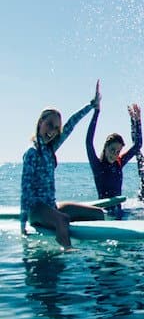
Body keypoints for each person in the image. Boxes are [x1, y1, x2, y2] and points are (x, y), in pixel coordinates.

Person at [20, 82, 105, 248]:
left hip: (52, 205)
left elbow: (71, 124)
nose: (52, 130)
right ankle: (67, 251)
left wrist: (91, 106)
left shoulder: (50, 149)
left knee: (98, 214)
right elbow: (25, 191)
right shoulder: (32, 152)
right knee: (62, 219)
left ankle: (99, 253)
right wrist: (22, 226)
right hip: (36, 210)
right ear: (40, 122)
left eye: (56, 128)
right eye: (49, 124)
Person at [85, 89, 142, 219]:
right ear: (105, 148)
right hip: (104, 214)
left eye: (118, 151)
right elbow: (88, 142)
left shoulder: (119, 163)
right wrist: (96, 112)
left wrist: (137, 120)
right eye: (112, 150)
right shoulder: (97, 165)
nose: (115, 154)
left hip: (119, 212)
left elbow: (138, 145)